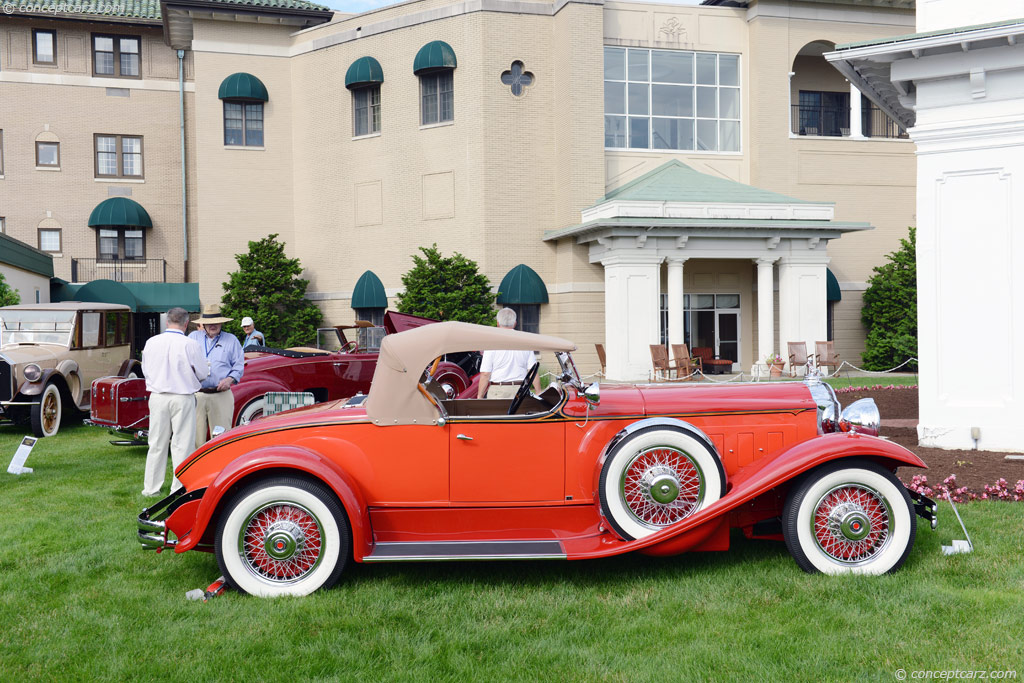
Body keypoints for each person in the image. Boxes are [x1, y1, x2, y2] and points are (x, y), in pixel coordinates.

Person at [141, 307, 209, 497]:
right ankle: (178, 488)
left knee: (156, 442)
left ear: (166, 321)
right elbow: (203, 373)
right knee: (182, 443)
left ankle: (151, 488)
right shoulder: (190, 344)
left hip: (158, 396)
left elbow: (145, 370)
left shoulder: (151, 342)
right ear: (186, 323)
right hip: (182, 396)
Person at [189, 304, 244, 449]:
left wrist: (229, 379)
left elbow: (238, 365)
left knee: (222, 438)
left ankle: (221, 469)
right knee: (195, 438)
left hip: (221, 395)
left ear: (221, 322)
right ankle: (197, 470)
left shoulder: (231, 340)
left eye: (216, 322)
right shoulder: (193, 338)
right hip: (196, 395)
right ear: (203, 324)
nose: (212, 325)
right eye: (209, 323)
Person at [476, 307, 542, 399]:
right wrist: (538, 392)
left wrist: (480, 396)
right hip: (521, 390)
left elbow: (485, 374)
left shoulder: (491, 343)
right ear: (515, 323)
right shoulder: (525, 342)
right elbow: (532, 371)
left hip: (498, 391)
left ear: (498, 323)